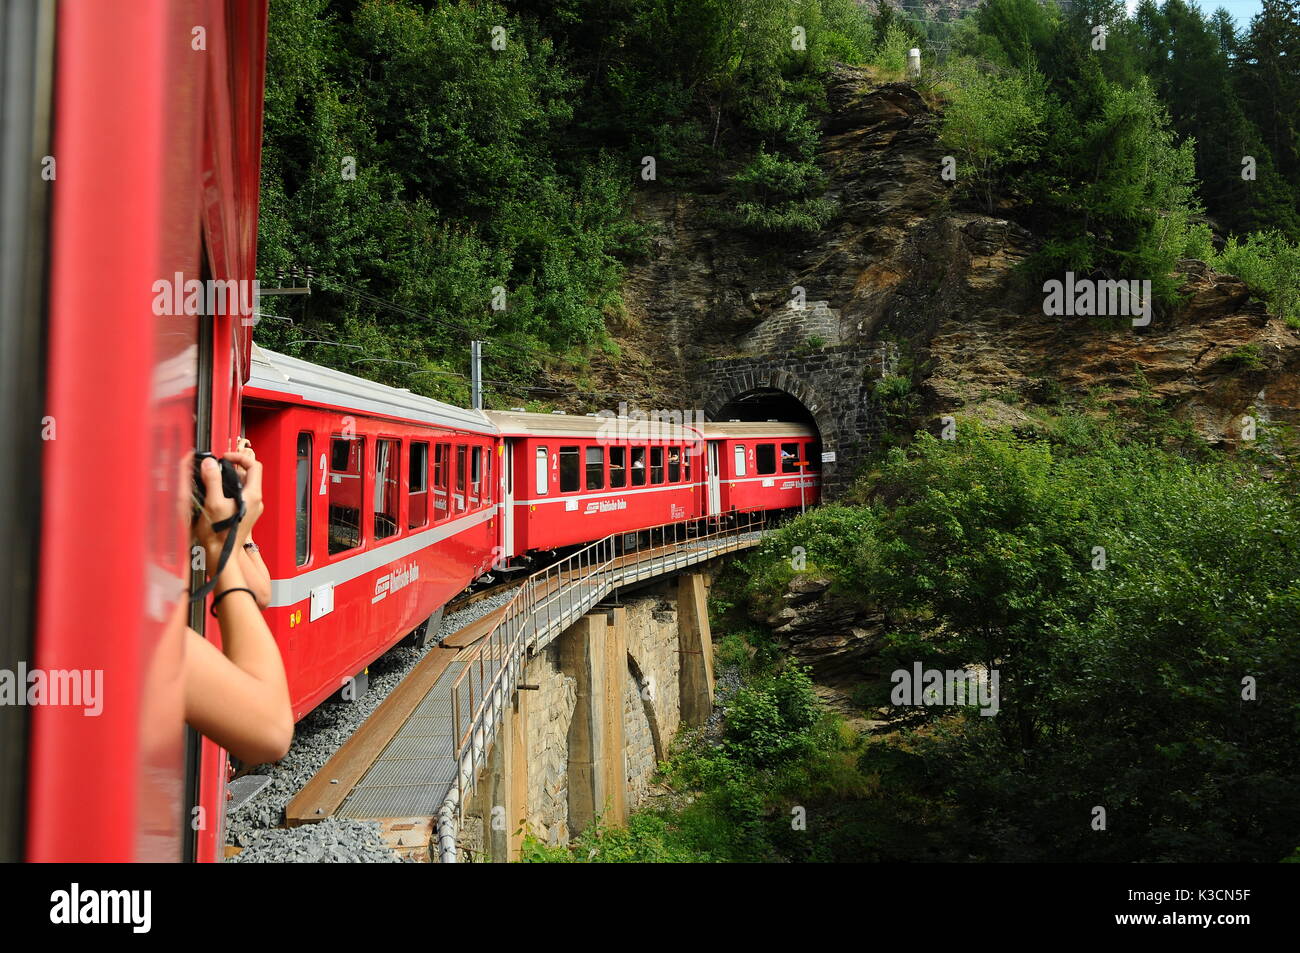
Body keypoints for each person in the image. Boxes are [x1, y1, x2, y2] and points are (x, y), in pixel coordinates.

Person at [184, 449, 292, 765]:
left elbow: (261, 589)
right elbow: (272, 733)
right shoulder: (137, 631)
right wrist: (220, 546)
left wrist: (237, 536)